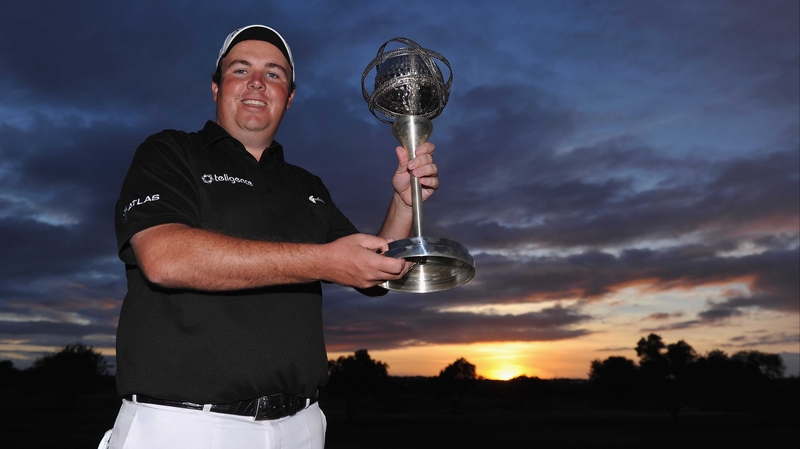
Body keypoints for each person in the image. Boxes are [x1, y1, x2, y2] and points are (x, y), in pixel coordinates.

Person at [100, 24, 439, 449]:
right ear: (216, 87)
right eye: (241, 70)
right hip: (182, 426)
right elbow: (166, 258)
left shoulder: (307, 185)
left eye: (274, 74)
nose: (258, 83)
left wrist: (405, 203)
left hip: (301, 426)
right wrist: (322, 261)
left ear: (289, 98)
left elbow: (375, 268)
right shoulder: (169, 152)